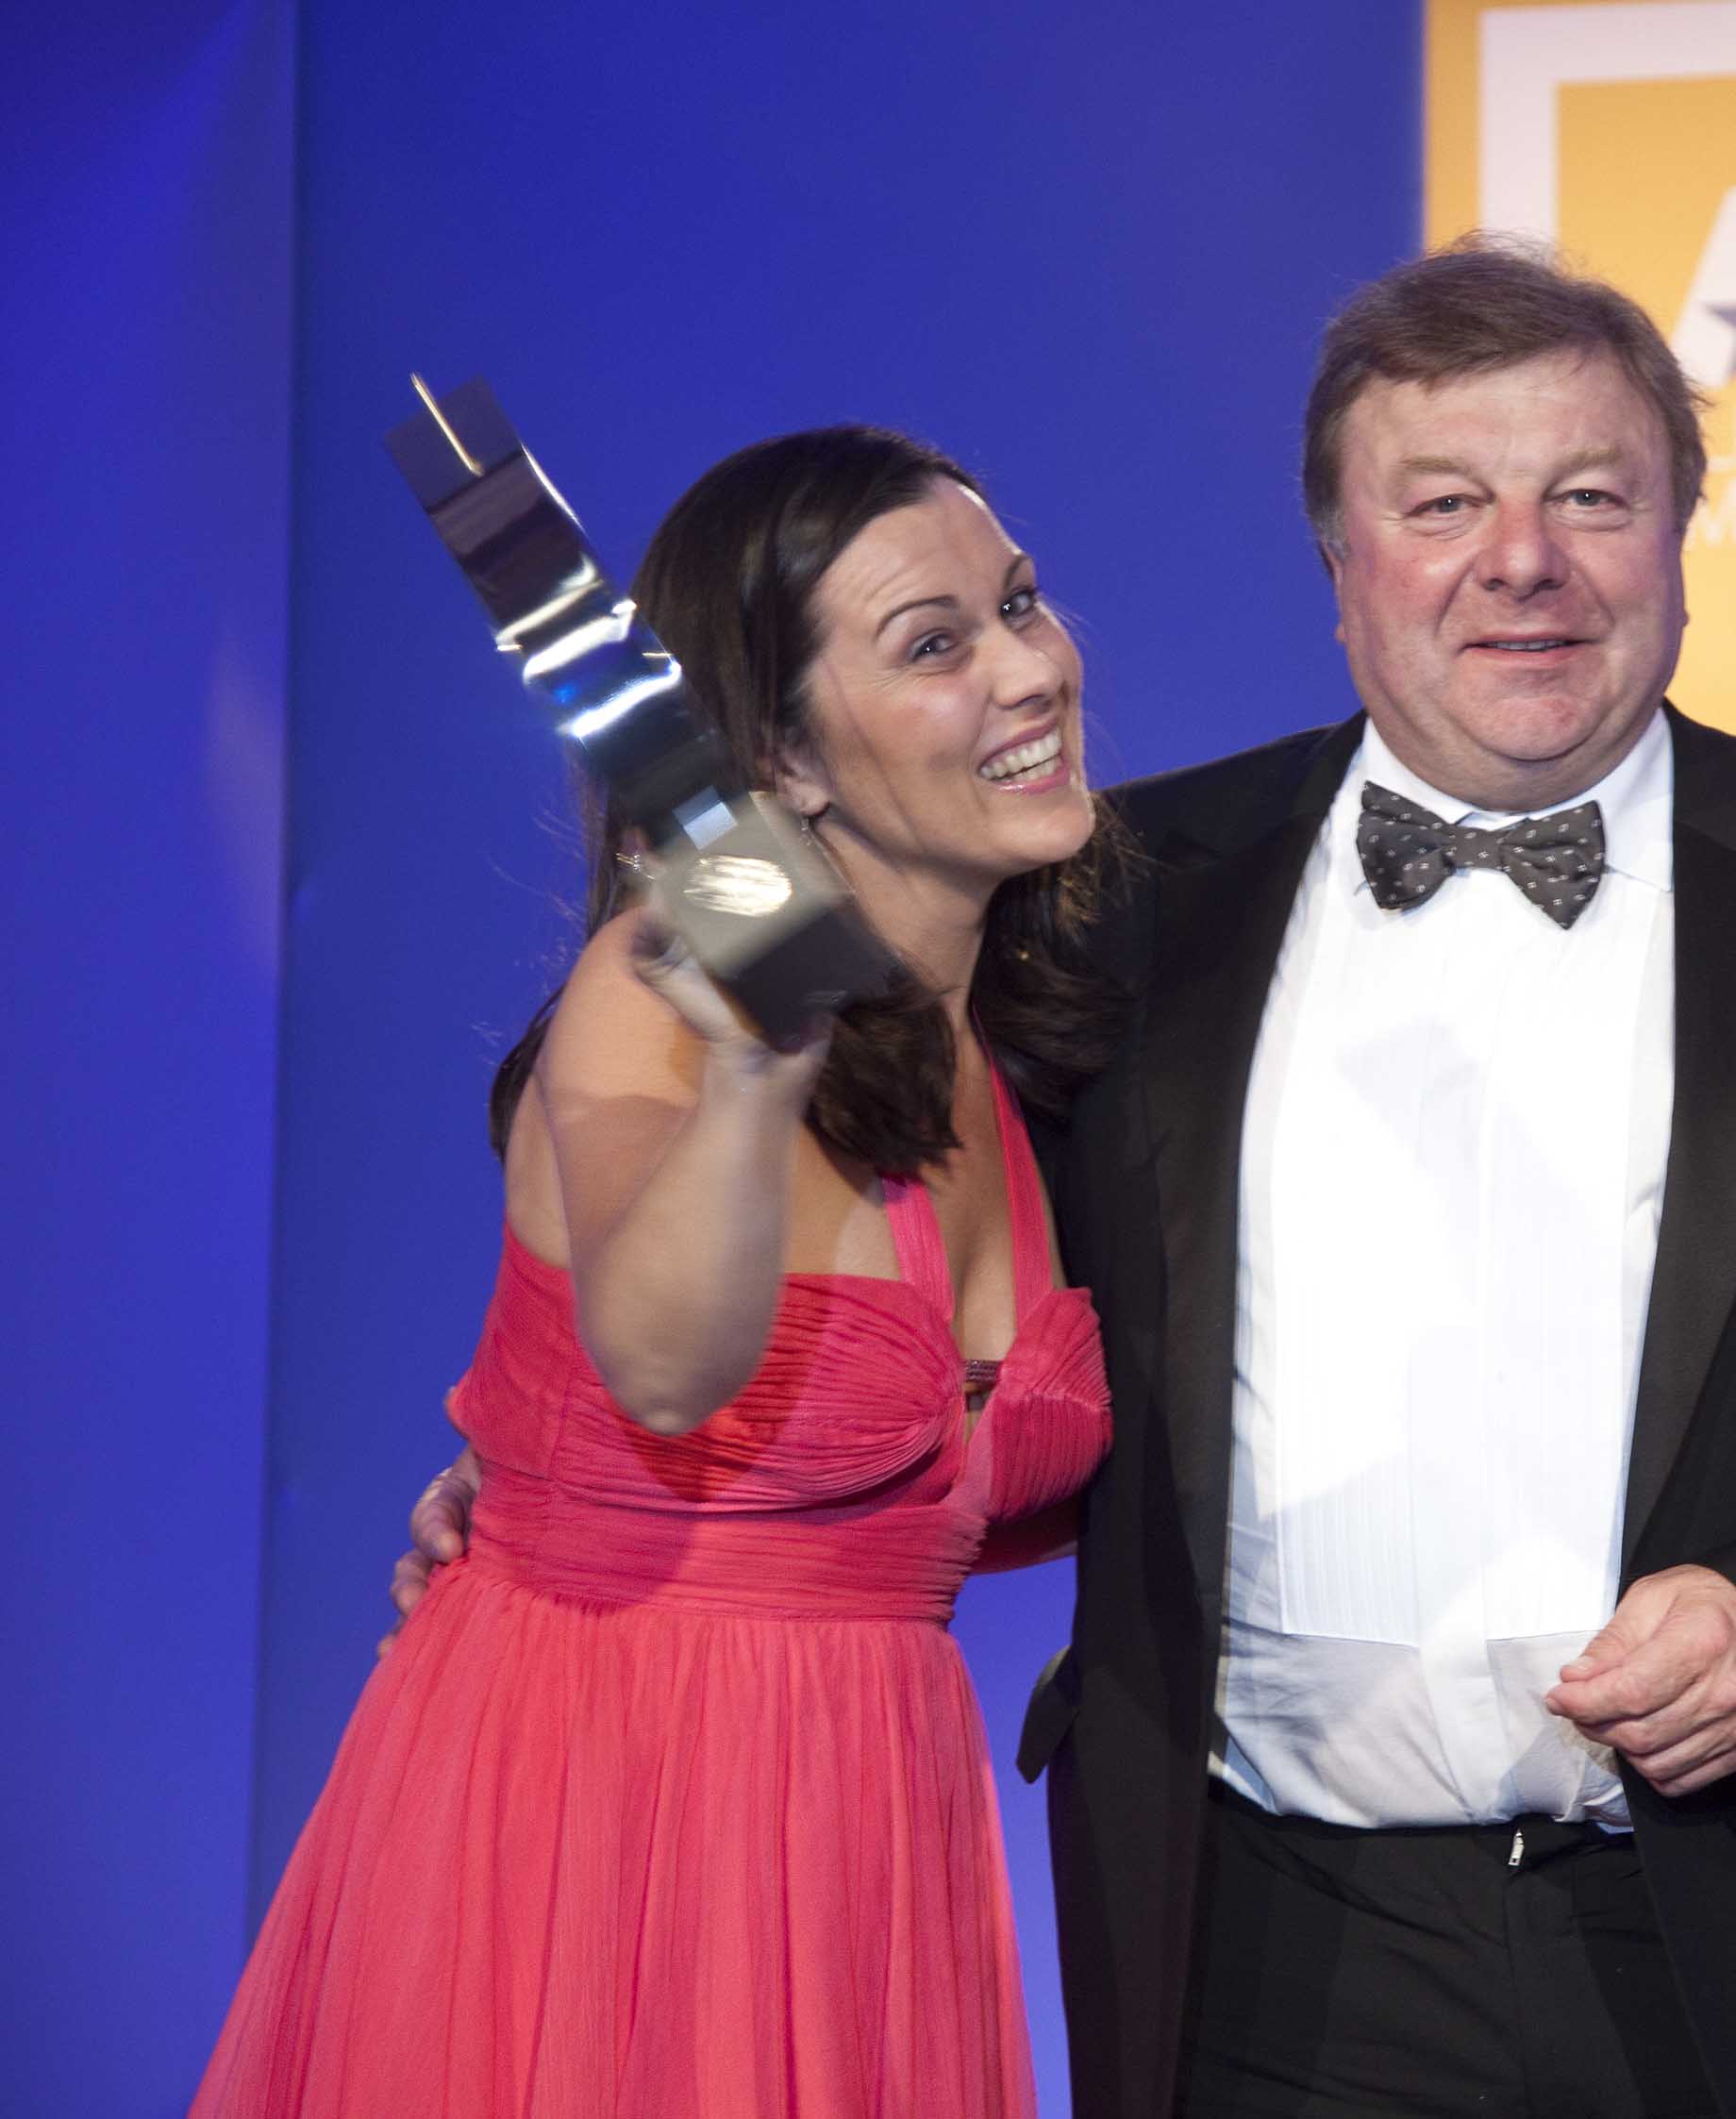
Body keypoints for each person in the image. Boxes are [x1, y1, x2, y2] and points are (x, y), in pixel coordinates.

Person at [393, 240, 1736, 2115]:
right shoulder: (1109, 907)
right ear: (1335, 559)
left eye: (1588, 497)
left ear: (1681, 533)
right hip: (1257, 1959)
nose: (1521, 560)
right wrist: (572, 1481)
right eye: (1442, 504)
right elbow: (820, 1273)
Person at [205, 428, 1120, 2117]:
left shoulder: (1040, 1040)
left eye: (1018, 602)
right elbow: (665, 1367)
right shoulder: (662, 986)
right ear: (782, 756)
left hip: (867, 1862)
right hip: (597, 1847)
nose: (1029, 667)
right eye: (935, 642)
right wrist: (758, 1085)